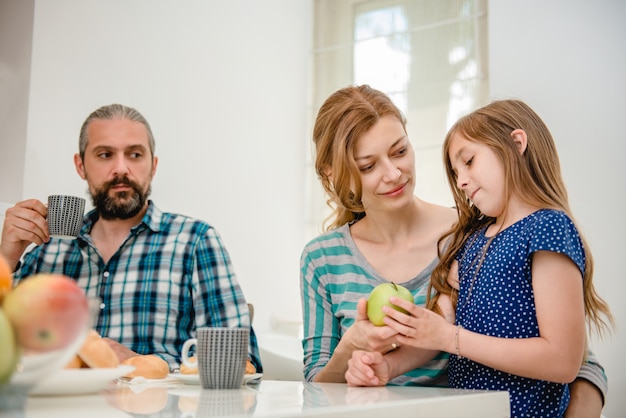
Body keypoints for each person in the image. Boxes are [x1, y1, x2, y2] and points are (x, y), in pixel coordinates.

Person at [300, 85, 608, 416]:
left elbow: (575, 361)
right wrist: (359, 351)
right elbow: (315, 388)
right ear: (336, 175)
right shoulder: (321, 259)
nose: (393, 174)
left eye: (400, 151)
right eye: (368, 166)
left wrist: (449, 338)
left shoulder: (469, 233)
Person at [0, 103, 262, 372]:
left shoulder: (195, 242)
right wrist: (6, 257)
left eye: (135, 154)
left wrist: (142, 364)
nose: (121, 168)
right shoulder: (46, 249)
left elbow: (242, 363)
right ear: (80, 165)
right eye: (105, 155)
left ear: (153, 165)